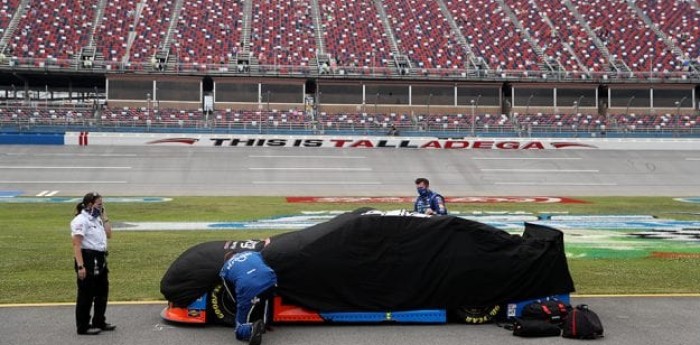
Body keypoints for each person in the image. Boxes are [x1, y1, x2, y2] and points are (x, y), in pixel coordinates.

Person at [71, 192, 116, 335]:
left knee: (102, 292)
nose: (101, 207)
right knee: (86, 294)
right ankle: (83, 326)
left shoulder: (97, 219)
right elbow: (76, 245)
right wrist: (80, 266)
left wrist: (104, 215)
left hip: (100, 258)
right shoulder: (80, 221)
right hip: (87, 259)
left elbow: (109, 234)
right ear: (90, 204)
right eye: (99, 204)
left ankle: (99, 321)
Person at [220, 251, 277, 345]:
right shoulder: (253, 253)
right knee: (266, 299)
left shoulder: (224, 269)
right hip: (271, 279)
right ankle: (265, 324)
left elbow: (229, 291)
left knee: (239, 327)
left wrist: (238, 304)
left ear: (226, 260)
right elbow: (263, 264)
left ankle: (250, 329)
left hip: (248, 287)